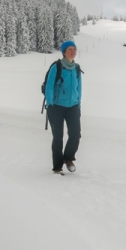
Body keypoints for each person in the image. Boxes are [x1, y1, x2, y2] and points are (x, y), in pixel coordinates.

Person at [45, 40, 82, 174]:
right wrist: (50, 104)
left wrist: (78, 104)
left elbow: (79, 88)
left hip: (73, 106)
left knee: (75, 134)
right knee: (58, 137)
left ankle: (68, 158)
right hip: (57, 106)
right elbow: (49, 86)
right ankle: (57, 166)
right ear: (64, 52)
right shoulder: (57, 66)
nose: (72, 52)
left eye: (74, 49)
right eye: (69, 49)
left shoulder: (77, 68)